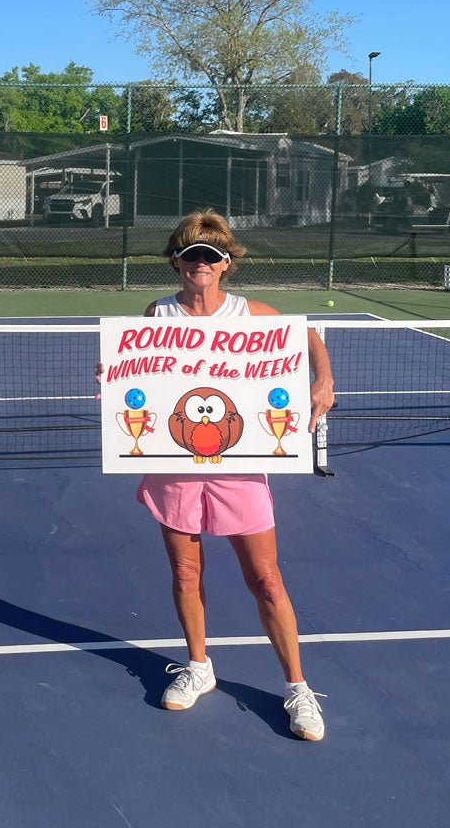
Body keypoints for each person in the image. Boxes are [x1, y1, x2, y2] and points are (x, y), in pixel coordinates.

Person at [124, 208, 334, 740]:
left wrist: (324, 381)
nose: (202, 264)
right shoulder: (158, 315)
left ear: (226, 265)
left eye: (212, 257)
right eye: (192, 255)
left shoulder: (252, 314)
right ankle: (199, 667)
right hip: (174, 465)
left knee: (265, 579)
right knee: (186, 573)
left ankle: (297, 688)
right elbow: (135, 373)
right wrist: (114, 373)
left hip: (240, 468)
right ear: (176, 261)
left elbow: (307, 338)